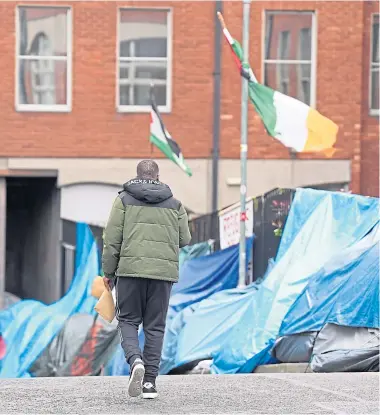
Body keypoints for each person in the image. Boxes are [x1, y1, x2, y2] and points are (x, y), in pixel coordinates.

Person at [102, 160, 191, 399]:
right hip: (162, 274)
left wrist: (108, 274)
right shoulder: (175, 204)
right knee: (155, 327)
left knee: (128, 320)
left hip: (129, 272)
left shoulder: (123, 200)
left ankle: (136, 362)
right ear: (158, 177)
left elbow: (111, 240)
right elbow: (185, 239)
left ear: (138, 175)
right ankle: (150, 382)